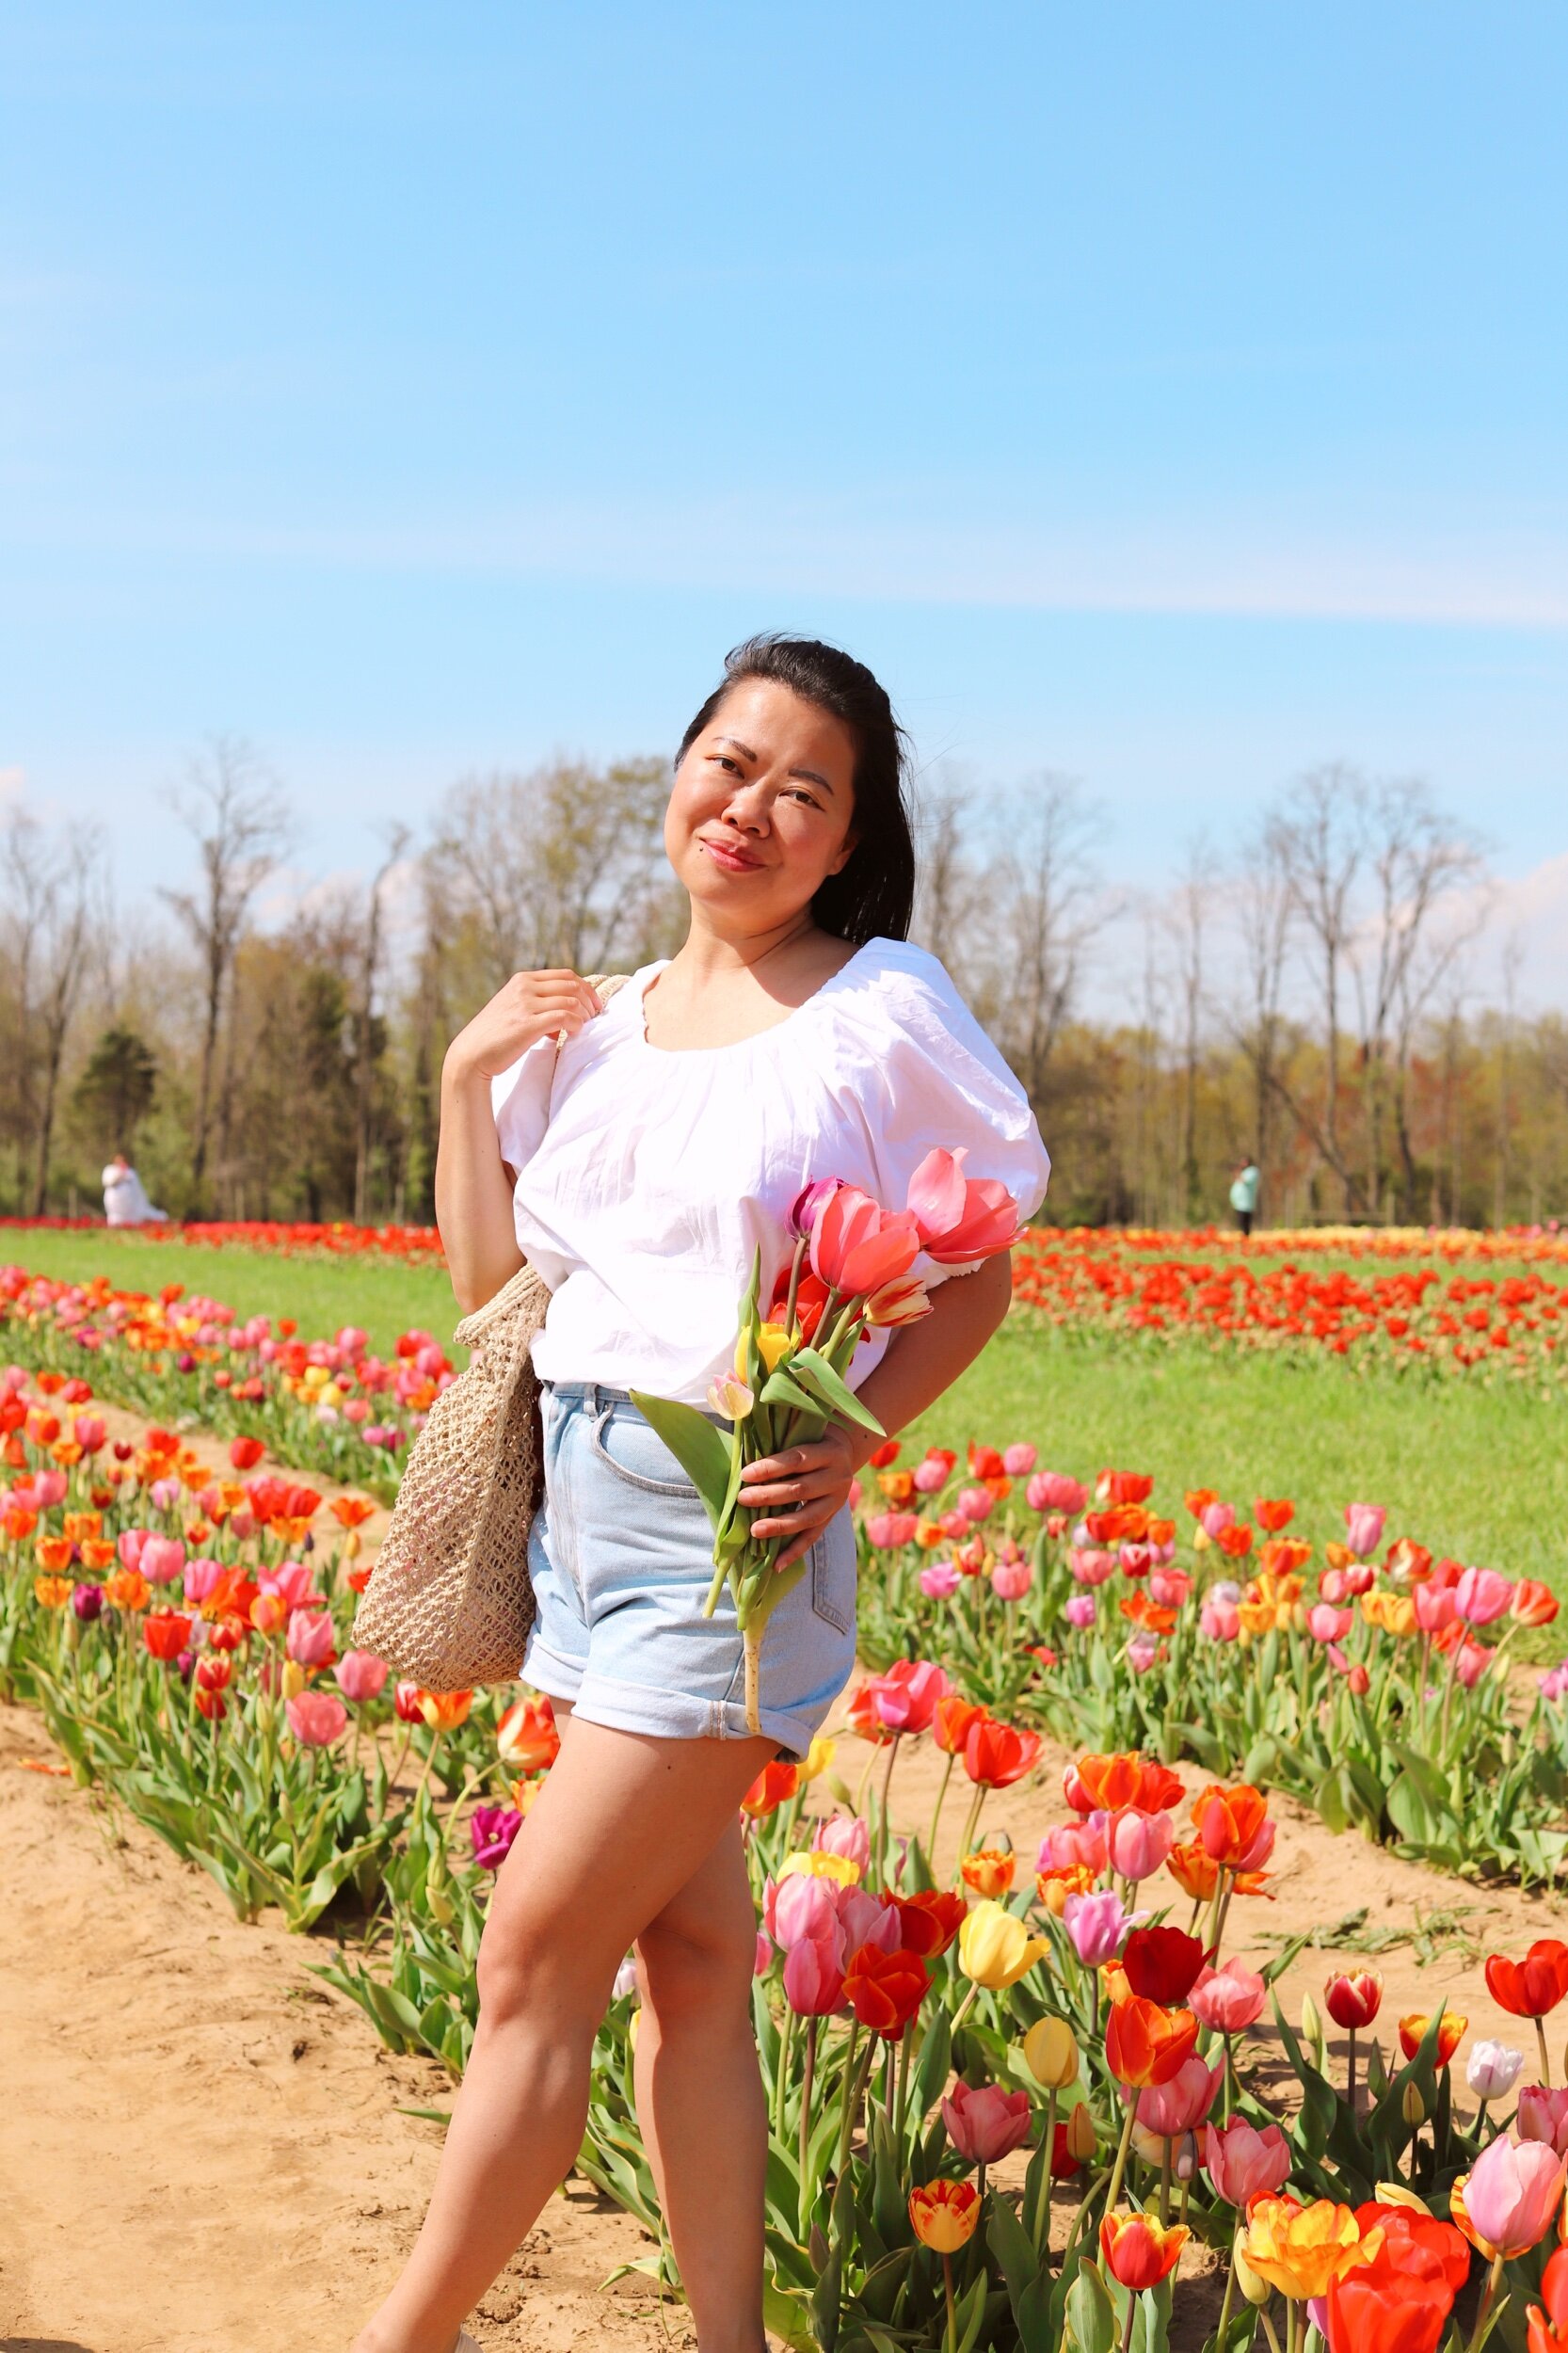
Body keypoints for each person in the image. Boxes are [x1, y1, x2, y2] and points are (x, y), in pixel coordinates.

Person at [351, 633, 1051, 2353]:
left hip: (724, 1532)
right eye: (728, 765)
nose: (750, 807)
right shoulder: (592, 1026)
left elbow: (979, 1270)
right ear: (680, 774)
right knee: (696, 1967)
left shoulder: (877, 1010)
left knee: (530, 1956)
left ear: (845, 844)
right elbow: (493, 1287)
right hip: (578, 1519)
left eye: (801, 792)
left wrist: (864, 1433)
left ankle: (398, 2337)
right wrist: (464, 1079)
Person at [102, 1153, 168, 1226]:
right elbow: (107, 1182)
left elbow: (138, 1189)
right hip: (115, 1201)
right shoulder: (110, 1170)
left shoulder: (131, 1172)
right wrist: (119, 1175)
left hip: (130, 1204)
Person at [1229, 1158, 1261, 1237]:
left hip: (1246, 1202)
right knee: (1240, 1221)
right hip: (1239, 1202)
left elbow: (1244, 1180)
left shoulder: (1253, 1171)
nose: (1242, 1164)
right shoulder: (1245, 1172)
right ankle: (1244, 1236)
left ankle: (1246, 1236)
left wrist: (1237, 1172)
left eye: (1244, 1162)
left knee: (1245, 1221)